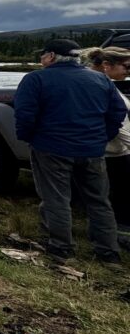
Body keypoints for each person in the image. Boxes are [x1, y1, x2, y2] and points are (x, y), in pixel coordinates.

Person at [14, 39, 126, 265]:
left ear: (52, 56)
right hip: (93, 151)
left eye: (43, 55)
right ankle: (108, 252)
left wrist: (29, 137)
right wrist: (100, 137)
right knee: (99, 200)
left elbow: (25, 115)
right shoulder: (100, 78)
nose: (41, 59)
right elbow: (117, 113)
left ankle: (61, 249)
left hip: (51, 148)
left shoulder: (36, 79)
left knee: (56, 198)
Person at [80, 46, 130, 228]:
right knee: (119, 199)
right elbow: (119, 124)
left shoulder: (102, 84)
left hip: (112, 150)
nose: (128, 72)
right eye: (126, 67)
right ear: (107, 65)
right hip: (111, 152)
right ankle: (118, 235)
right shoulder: (100, 86)